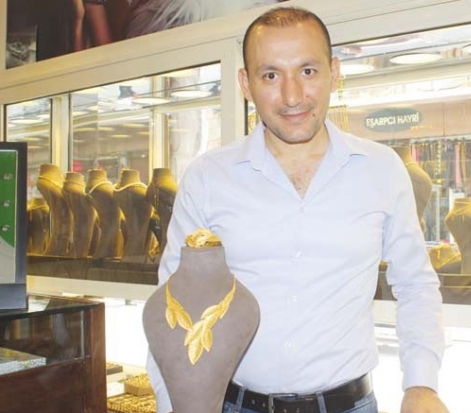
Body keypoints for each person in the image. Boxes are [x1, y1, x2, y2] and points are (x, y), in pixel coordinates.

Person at [147, 6, 448, 413]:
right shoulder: (208, 177)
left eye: (308, 71)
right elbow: (171, 307)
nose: (292, 96)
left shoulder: (381, 169)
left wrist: (421, 385)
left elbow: (415, 285)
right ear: (246, 84)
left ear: (334, 73)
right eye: (271, 75)